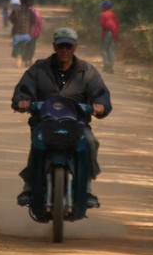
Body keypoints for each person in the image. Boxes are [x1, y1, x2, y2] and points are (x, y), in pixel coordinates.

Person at [11, 27, 112, 208]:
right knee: (38, 144)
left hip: (77, 125)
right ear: (54, 46)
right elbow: (24, 88)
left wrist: (99, 104)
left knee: (89, 142)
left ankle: (87, 187)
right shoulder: (39, 68)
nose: (64, 50)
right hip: (45, 123)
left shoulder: (87, 71)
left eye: (68, 46)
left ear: (75, 47)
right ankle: (29, 185)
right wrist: (23, 100)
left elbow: (100, 94)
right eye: (61, 46)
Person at [9, 0, 37, 68]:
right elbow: (33, 21)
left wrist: (17, 23)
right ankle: (23, 58)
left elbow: (11, 20)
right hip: (27, 33)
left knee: (17, 46)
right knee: (24, 46)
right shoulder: (30, 12)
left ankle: (18, 57)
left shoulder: (15, 10)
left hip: (17, 32)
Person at [99, 0, 120, 73]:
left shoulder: (103, 14)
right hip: (113, 32)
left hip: (106, 32)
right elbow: (117, 25)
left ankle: (106, 65)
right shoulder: (113, 15)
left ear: (104, 7)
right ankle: (111, 66)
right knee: (111, 50)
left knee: (103, 50)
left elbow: (101, 24)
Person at [23, 0, 43, 66]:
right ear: (32, 5)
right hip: (34, 33)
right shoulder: (36, 12)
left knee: (25, 46)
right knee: (32, 47)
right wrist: (40, 31)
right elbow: (39, 22)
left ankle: (25, 60)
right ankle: (30, 59)